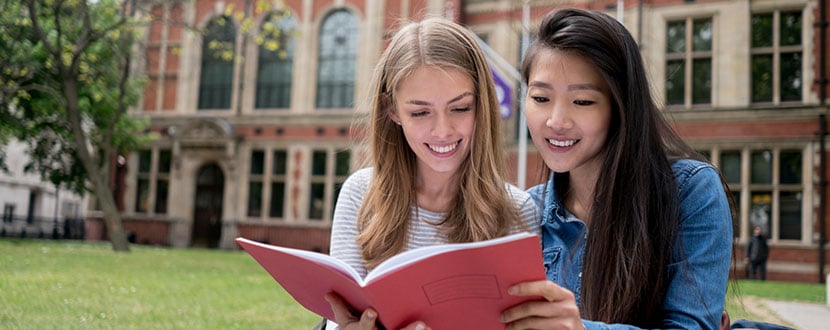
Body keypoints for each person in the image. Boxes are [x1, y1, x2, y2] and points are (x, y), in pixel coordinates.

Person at [499, 8, 734, 329]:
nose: (556, 121)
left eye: (582, 101)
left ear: (621, 106)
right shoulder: (526, 210)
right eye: (540, 98)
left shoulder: (691, 191)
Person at [322, 16, 541, 330]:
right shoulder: (360, 194)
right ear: (392, 110)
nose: (442, 130)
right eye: (420, 112)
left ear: (482, 106)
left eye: (460, 108)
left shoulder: (517, 211)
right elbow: (337, 319)